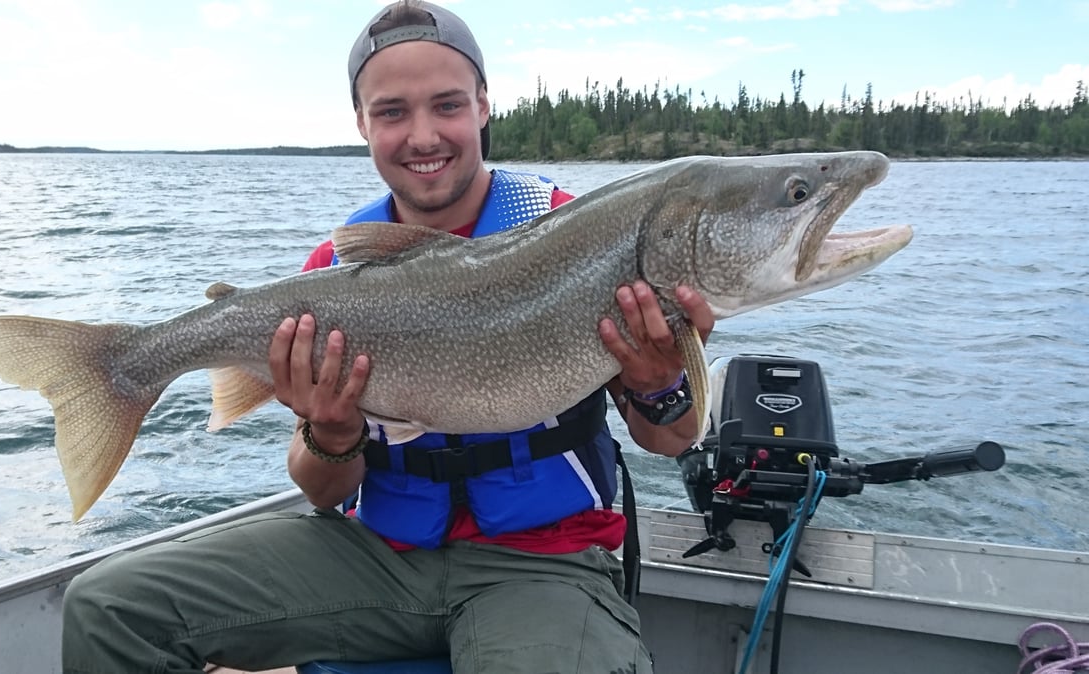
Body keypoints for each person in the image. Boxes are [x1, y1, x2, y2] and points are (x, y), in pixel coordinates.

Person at [60, 2, 714, 672]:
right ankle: (117, 374)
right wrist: (333, 433)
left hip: (544, 562)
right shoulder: (334, 274)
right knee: (107, 609)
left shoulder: (579, 234)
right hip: (376, 557)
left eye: (447, 105)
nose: (423, 135)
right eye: (393, 111)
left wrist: (657, 381)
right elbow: (321, 489)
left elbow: (671, 438)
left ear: (485, 106)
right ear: (361, 123)